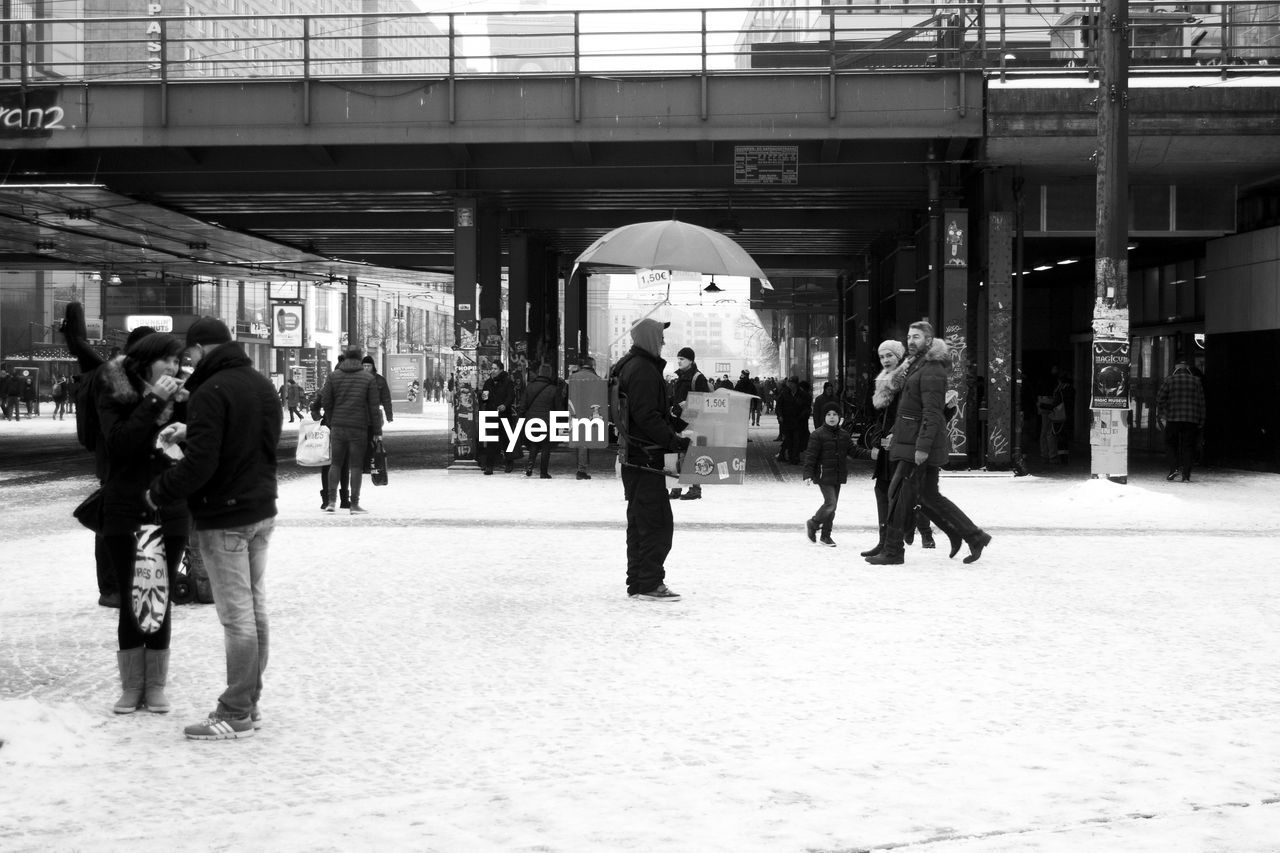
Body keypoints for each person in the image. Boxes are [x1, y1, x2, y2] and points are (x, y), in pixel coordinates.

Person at [146, 316, 282, 740]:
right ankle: (250, 703)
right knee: (254, 610)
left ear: (200, 350)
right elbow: (251, 440)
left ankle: (236, 710)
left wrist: (159, 491)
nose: (186, 362)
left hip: (225, 517)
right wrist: (194, 430)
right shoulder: (260, 385)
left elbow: (202, 465)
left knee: (237, 617)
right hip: (261, 511)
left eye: (189, 355)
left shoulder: (210, 391)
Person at [97, 332, 190, 715]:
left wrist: (183, 423)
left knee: (161, 597)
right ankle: (131, 686)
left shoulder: (185, 398)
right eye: (167, 360)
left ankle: (155, 686)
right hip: (126, 511)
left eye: (177, 360)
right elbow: (120, 443)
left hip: (168, 510)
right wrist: (155, 401)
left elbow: (197, 448)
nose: (174, 367)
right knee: (131, 600)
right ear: (145, 361)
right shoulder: (113, 391)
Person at [866, 320, 991, 567]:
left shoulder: (932, 368)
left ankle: (893, 550)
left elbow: (932, 413)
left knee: (899, 494)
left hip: (917, 445)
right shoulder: (915, 365)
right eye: (909, 337)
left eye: (917, 337)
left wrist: (922, 447)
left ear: (928, 340)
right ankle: (974, 536)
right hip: (911, 441)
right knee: (929, 496)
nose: (911, 341)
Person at [610, 319, 690, 602]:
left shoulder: (631, 365)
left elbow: (645, 412)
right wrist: (674, 441)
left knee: (641, 523)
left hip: (636, 457)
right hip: (646, 458)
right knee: (656, 524)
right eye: (660, 337)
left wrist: (675, 425)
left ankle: (639, 581)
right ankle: (649, 584)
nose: (664, 343)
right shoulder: (643, 370)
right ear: (649, 339)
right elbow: (646, 417)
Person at [859, 340, 937, 557]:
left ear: (899, 357)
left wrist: (896, 434)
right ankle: (884, 541)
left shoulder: (908, 381)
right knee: (882, 490)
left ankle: (897, 543)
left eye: (890, 356)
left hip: (901, 446)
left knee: (899, 494)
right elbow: (878, 419)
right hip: (886, 448)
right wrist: (877, 439)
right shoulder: (883, 382)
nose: (885, 360)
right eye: (882, 357)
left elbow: (913, 414)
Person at [317, 346, 382, 514]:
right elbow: (374, 408)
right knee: (356, 466)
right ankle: (354, 504)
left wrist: (332, 419)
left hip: (338, 427)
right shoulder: (368, 378)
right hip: (358, 427)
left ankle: (331, 502)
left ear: (345, 357)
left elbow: (325, 400)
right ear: (360, 358)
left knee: (335, 463)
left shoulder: (333, 376)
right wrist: (377, 432)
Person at [802, 402, 854, 547]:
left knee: (832, 507)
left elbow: (854, 451)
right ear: (824, 417)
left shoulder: (844, 435)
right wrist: (808, 473)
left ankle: (826, 536)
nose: (832, 417)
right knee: (830, 503)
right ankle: (813, 523)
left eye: (835, 414)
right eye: (828, 414)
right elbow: (811, 456)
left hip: (837, 475)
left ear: (840, 417)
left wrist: (873, 455)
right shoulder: (817, 434)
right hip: (823, 475)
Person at [669, 346, 710, 500]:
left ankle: (695, 489)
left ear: (690, 361)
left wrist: (683, 407)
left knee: (691, 455)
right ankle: (676, 488)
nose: (679, 361)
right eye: (678, 359)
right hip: (679, 422)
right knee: (678, 455)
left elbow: (703, 400)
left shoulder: (698, 378)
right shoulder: (680, 377)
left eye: (682, 359)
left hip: (693, 423)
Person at [1156, 359, 1206, 482]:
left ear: (1175, 369)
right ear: (1188, 369)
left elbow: (1159, 398)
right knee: (1189, 446)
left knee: (1171, 443)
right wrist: (1202, 420)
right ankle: (1186, 475)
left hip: (1173, 418)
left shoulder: (1169, 380)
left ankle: (1174, 469)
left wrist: (1163, 412)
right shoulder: (1196, 381)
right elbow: (1201, 402)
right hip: (1191, 419)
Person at [520, 363, 564, 478]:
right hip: (547, 421)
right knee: (546, 447)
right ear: (549, 374)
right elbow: (558, 408)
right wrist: (560, 421)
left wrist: (521, 418)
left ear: (539, 373)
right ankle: (543, 472)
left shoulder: (530, 387)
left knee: (534, 444)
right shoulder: (554, 389)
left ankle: (530, 467)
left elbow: (523, 405)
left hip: (531, 420)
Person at [478, 360, 515, 475]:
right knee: (491, 441)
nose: (492, 370)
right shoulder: (488, 382)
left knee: (506, 440)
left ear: (501, 369)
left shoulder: (508, 382)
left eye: (495, 368)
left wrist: (505, 405)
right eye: (492, 368)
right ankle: (489, 466)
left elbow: (511, 396)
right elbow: (484, 398)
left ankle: (509, 462)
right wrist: (483, 397)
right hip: (491, 414)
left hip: (504, 415)